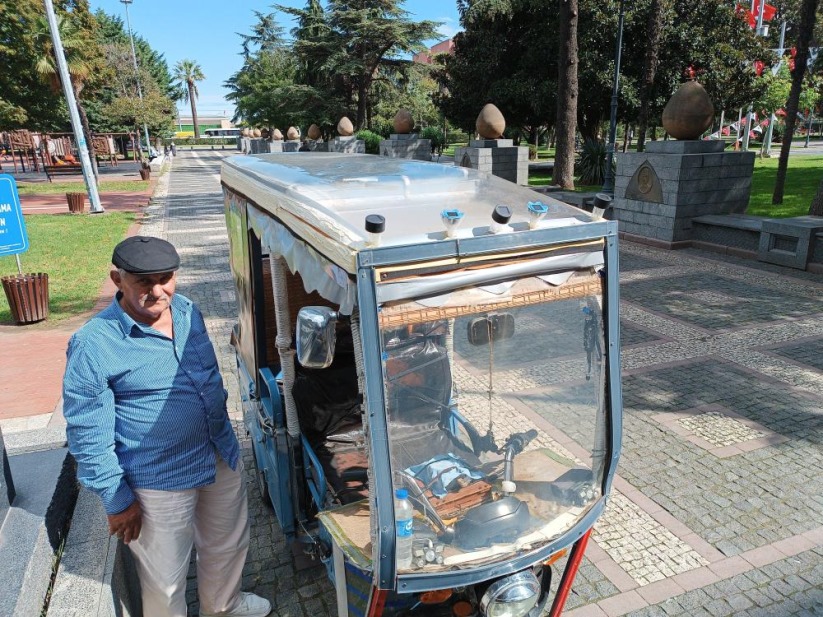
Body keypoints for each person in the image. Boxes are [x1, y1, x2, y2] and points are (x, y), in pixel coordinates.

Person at [62, 236, 271, 617]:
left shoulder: (189, 311)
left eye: (166, 278)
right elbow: (86, 431)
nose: (158, 291)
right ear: (117, 279)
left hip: (217, 453)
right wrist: (116, 497)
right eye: (144, 282)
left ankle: (223, 607)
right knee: (166, 578)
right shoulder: (93, 344)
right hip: (157, 479)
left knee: (227, 544)